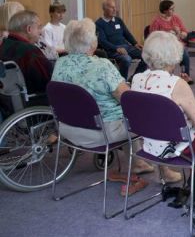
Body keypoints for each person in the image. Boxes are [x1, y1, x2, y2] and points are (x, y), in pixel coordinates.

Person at [51, 19, 155, 194]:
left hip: (67, 129)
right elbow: (127, 99)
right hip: (101, 133)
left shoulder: (60, 64)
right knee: (140, 115)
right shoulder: (103, 66)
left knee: (123, 114)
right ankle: (165, 172)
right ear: (92, 42)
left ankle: (138, 162)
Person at [131, 31, 195, 202]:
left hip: (149, 145)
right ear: (174, 55)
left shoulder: (137, 79)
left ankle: (191, 178)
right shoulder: (177, 83)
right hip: (179, 147)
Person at [0, 10, 52, 97]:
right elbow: (47, 82)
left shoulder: (3, 46)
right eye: (39, 27)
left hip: (8, 104)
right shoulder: (30, 52)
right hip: (34, 102)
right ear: (29, 29)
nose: (41, 32)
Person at [95, 0, 146, 79]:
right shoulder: (99, 23)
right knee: (127, 59)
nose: (115, 9)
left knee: (146, 56)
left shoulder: (118, 20)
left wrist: (135, 43)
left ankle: (133, 78)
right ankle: (122, 81)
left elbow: (127, 33)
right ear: (104, 9)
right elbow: (102, 41)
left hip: (126, 47)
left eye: (115, 7)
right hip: (111, 50)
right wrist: (116, 48)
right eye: (112, 7)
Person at [149, 0, 193, 84]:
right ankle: (166, 77)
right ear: (165, 10)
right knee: (168, 57)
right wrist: (167, 34)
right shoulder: (157, 21)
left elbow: (185, 32)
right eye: (171, 9)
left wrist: (179, 32)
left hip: (176, 44)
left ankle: (185, 75)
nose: (173, 11)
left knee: (185, 55)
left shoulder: (176, 18)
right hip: (163, 46)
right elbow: (153, 37)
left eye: (173, 9)